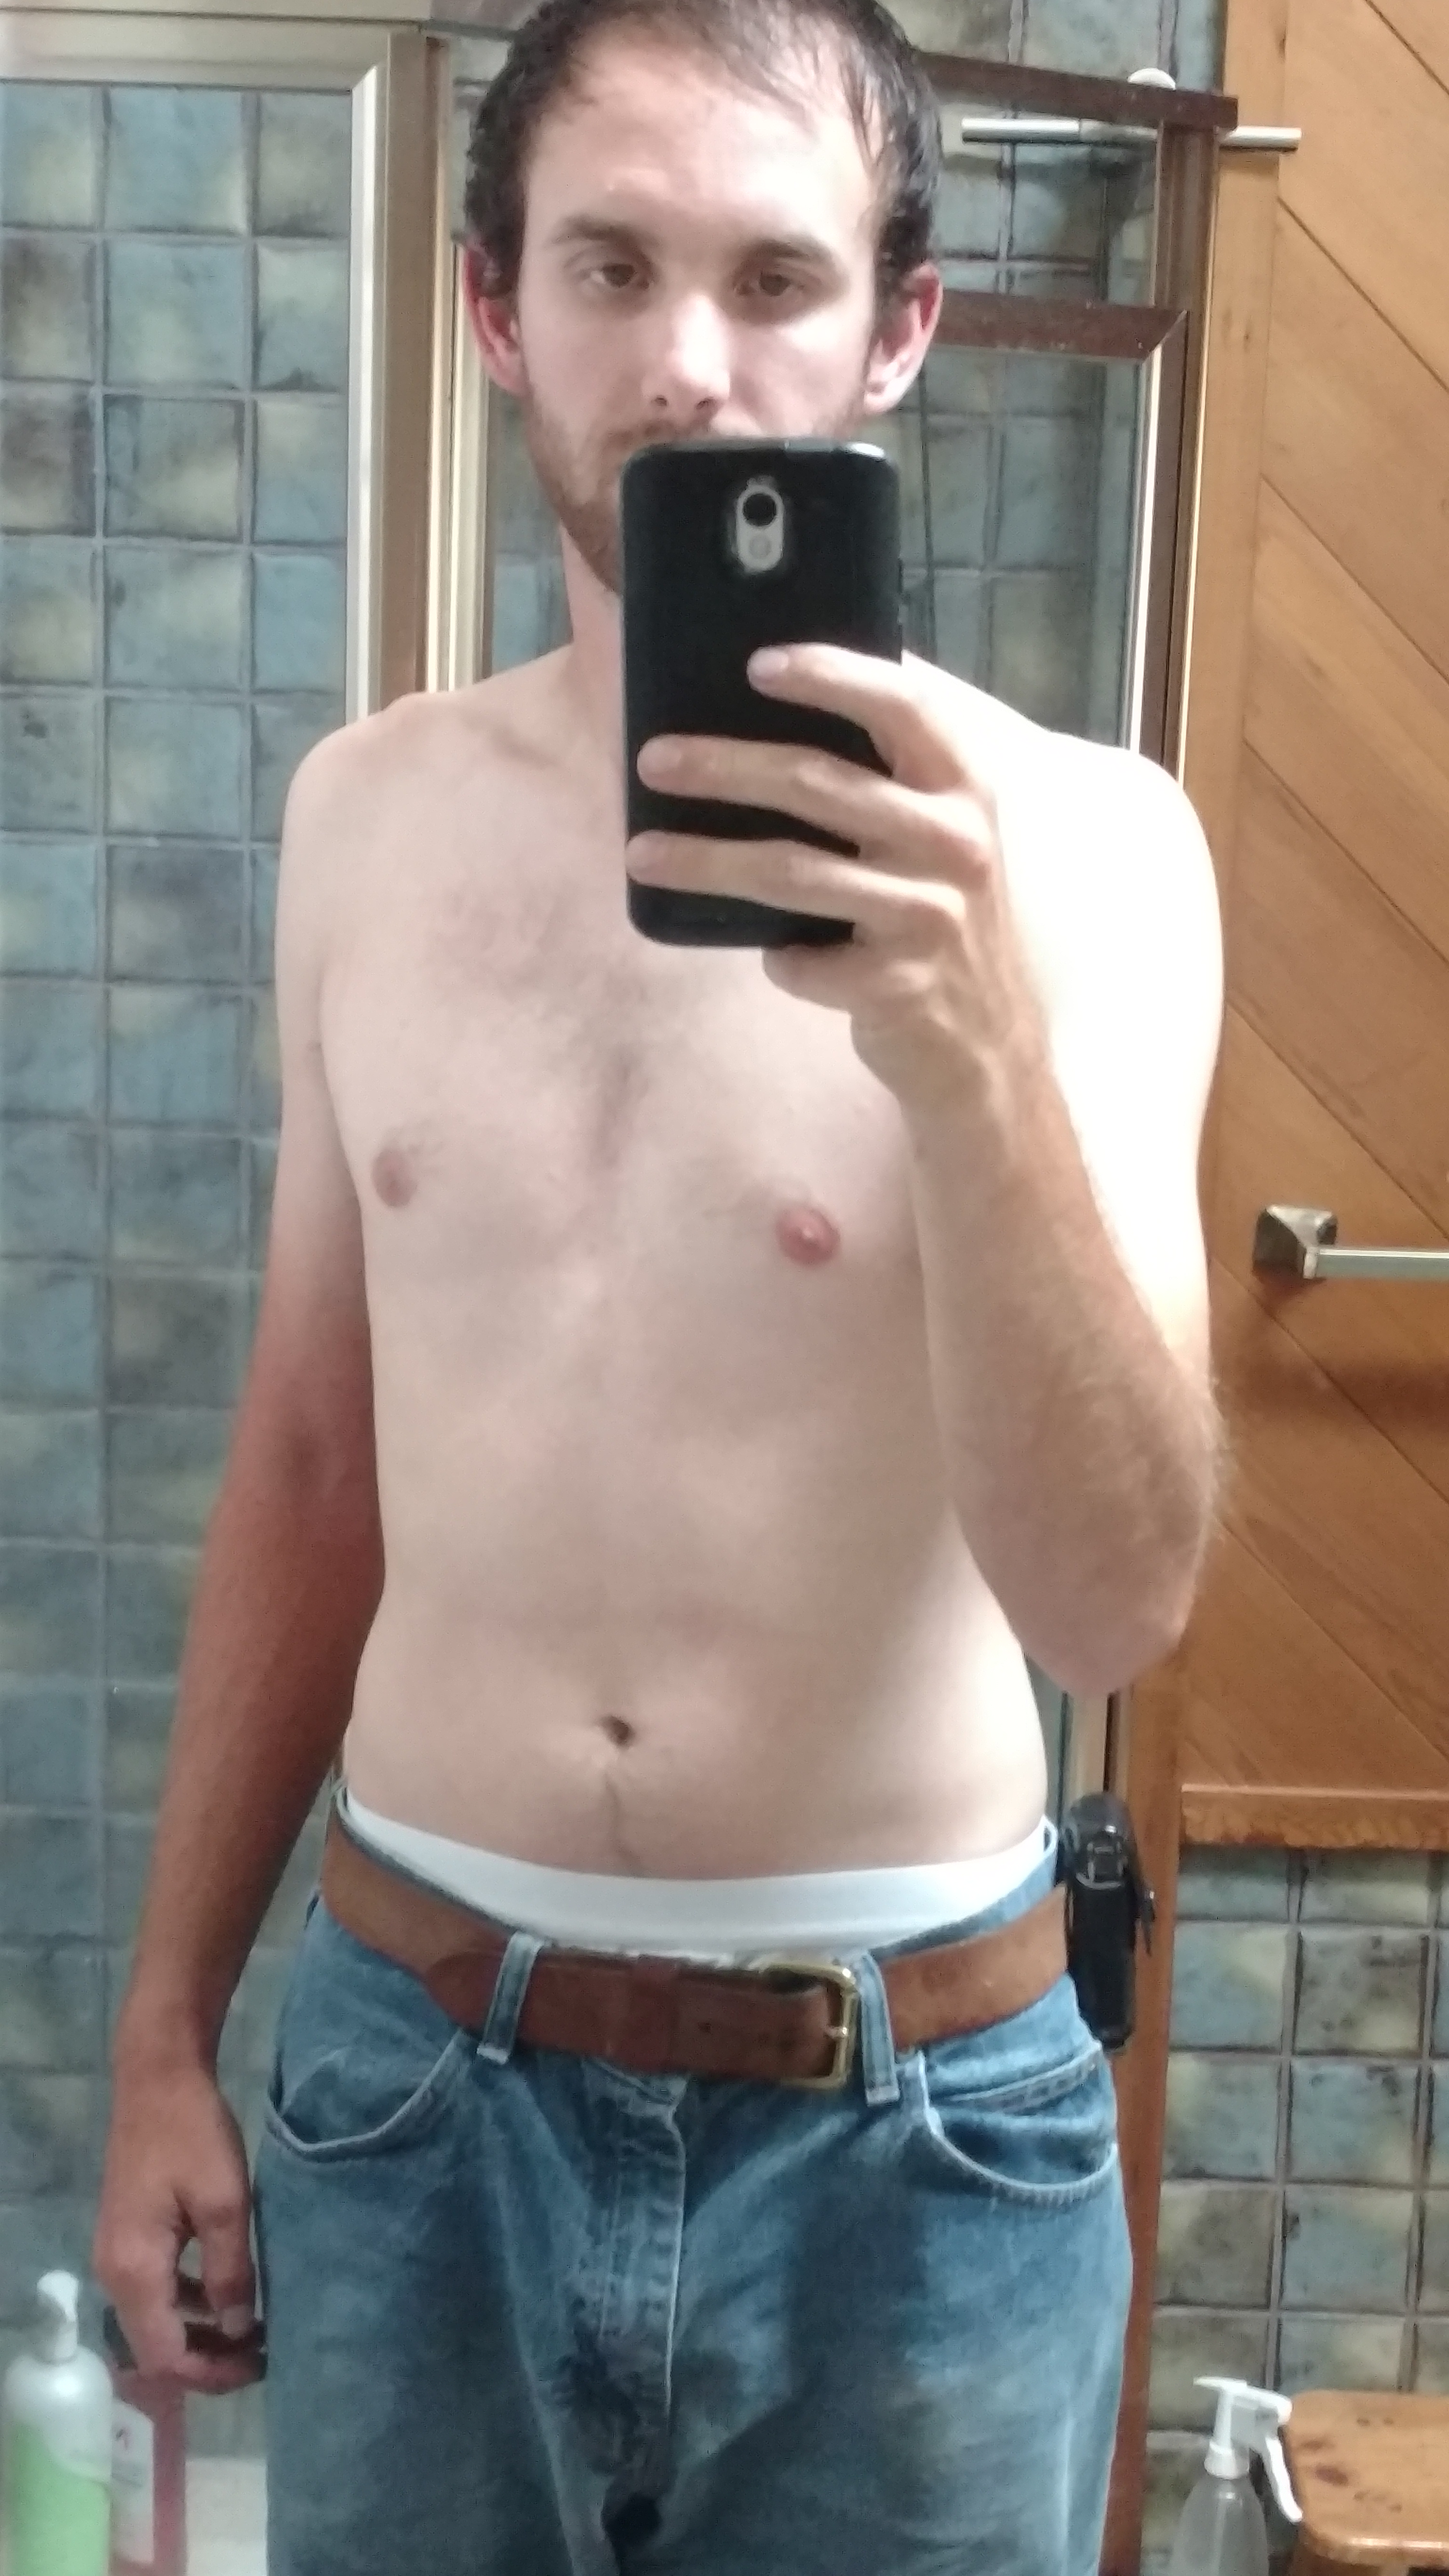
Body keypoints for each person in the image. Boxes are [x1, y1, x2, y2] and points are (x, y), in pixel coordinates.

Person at [94, 0, 1224, 2567]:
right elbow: (311, 1461)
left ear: (899, 328)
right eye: (611, 267)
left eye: (775, 277)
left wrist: (968, 1056)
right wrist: (164, 2031)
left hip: (911, 2136)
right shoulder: (365, 822)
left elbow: (1118, 1606)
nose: (693, 361)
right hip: (410, 2079)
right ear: (496, 306)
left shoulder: (1090, 856)